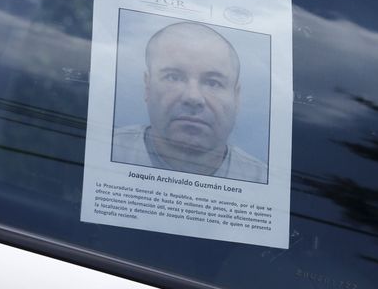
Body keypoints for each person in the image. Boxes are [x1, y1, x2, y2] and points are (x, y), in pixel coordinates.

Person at [112, 21, 267, 183]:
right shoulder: (101, 151)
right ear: (147, 87)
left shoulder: (263, 181)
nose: (193, 97)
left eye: (213, 83)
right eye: (173, 77)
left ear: (236, 97)